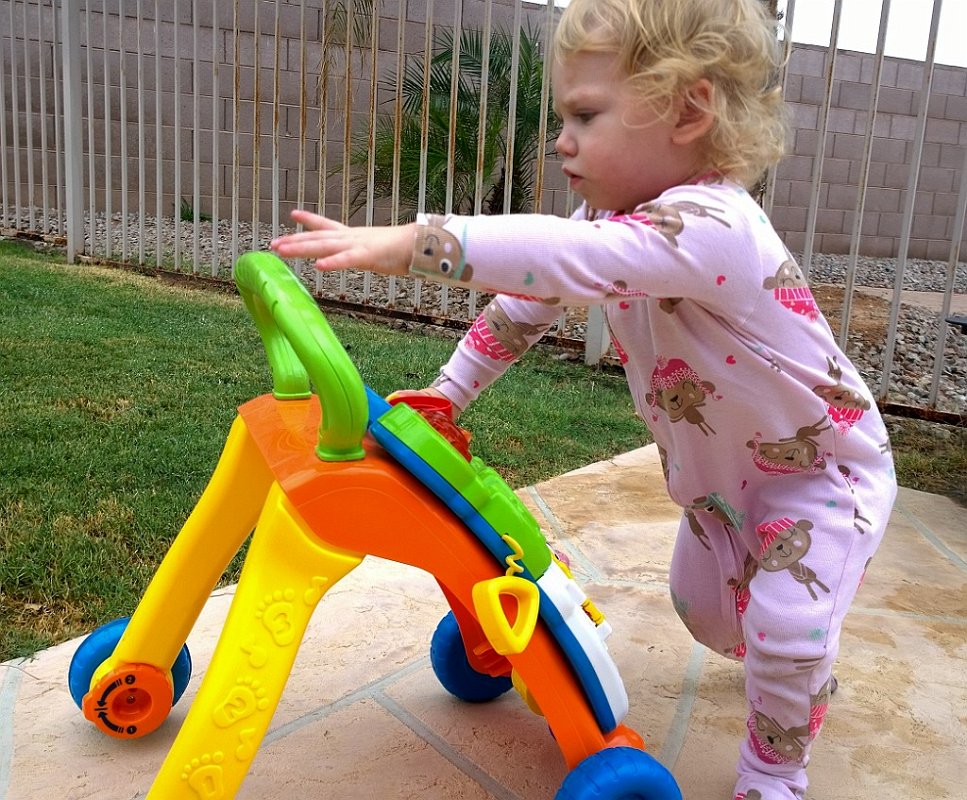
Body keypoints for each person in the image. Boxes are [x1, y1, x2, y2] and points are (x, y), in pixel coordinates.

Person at [271, 0, 897, 797]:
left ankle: (774, 770)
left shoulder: (717, 224)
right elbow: (523, 307)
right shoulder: (608, 218)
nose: (560, 139)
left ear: (687, 111)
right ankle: (787, 661)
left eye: (585, 115)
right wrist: (446, 395)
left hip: (823, 476)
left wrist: (415, 243)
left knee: (786, 628)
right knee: (707, 617)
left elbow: (563, 258)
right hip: (717, 487)